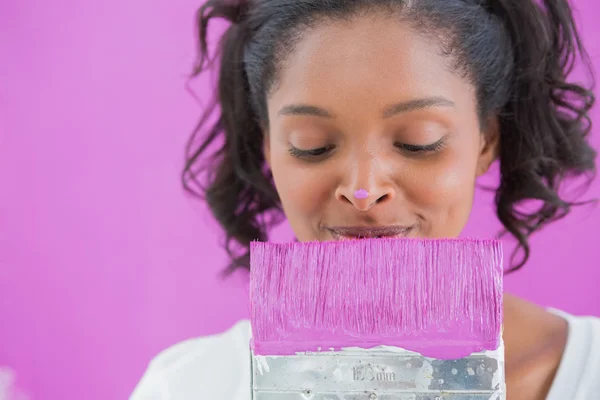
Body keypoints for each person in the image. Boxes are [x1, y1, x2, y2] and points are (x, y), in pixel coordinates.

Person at [130, 0, 600, 399]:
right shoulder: (189, 385)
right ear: (269, 148)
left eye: (419, 141)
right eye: (311, 145)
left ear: (485, 141)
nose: (363, 189)